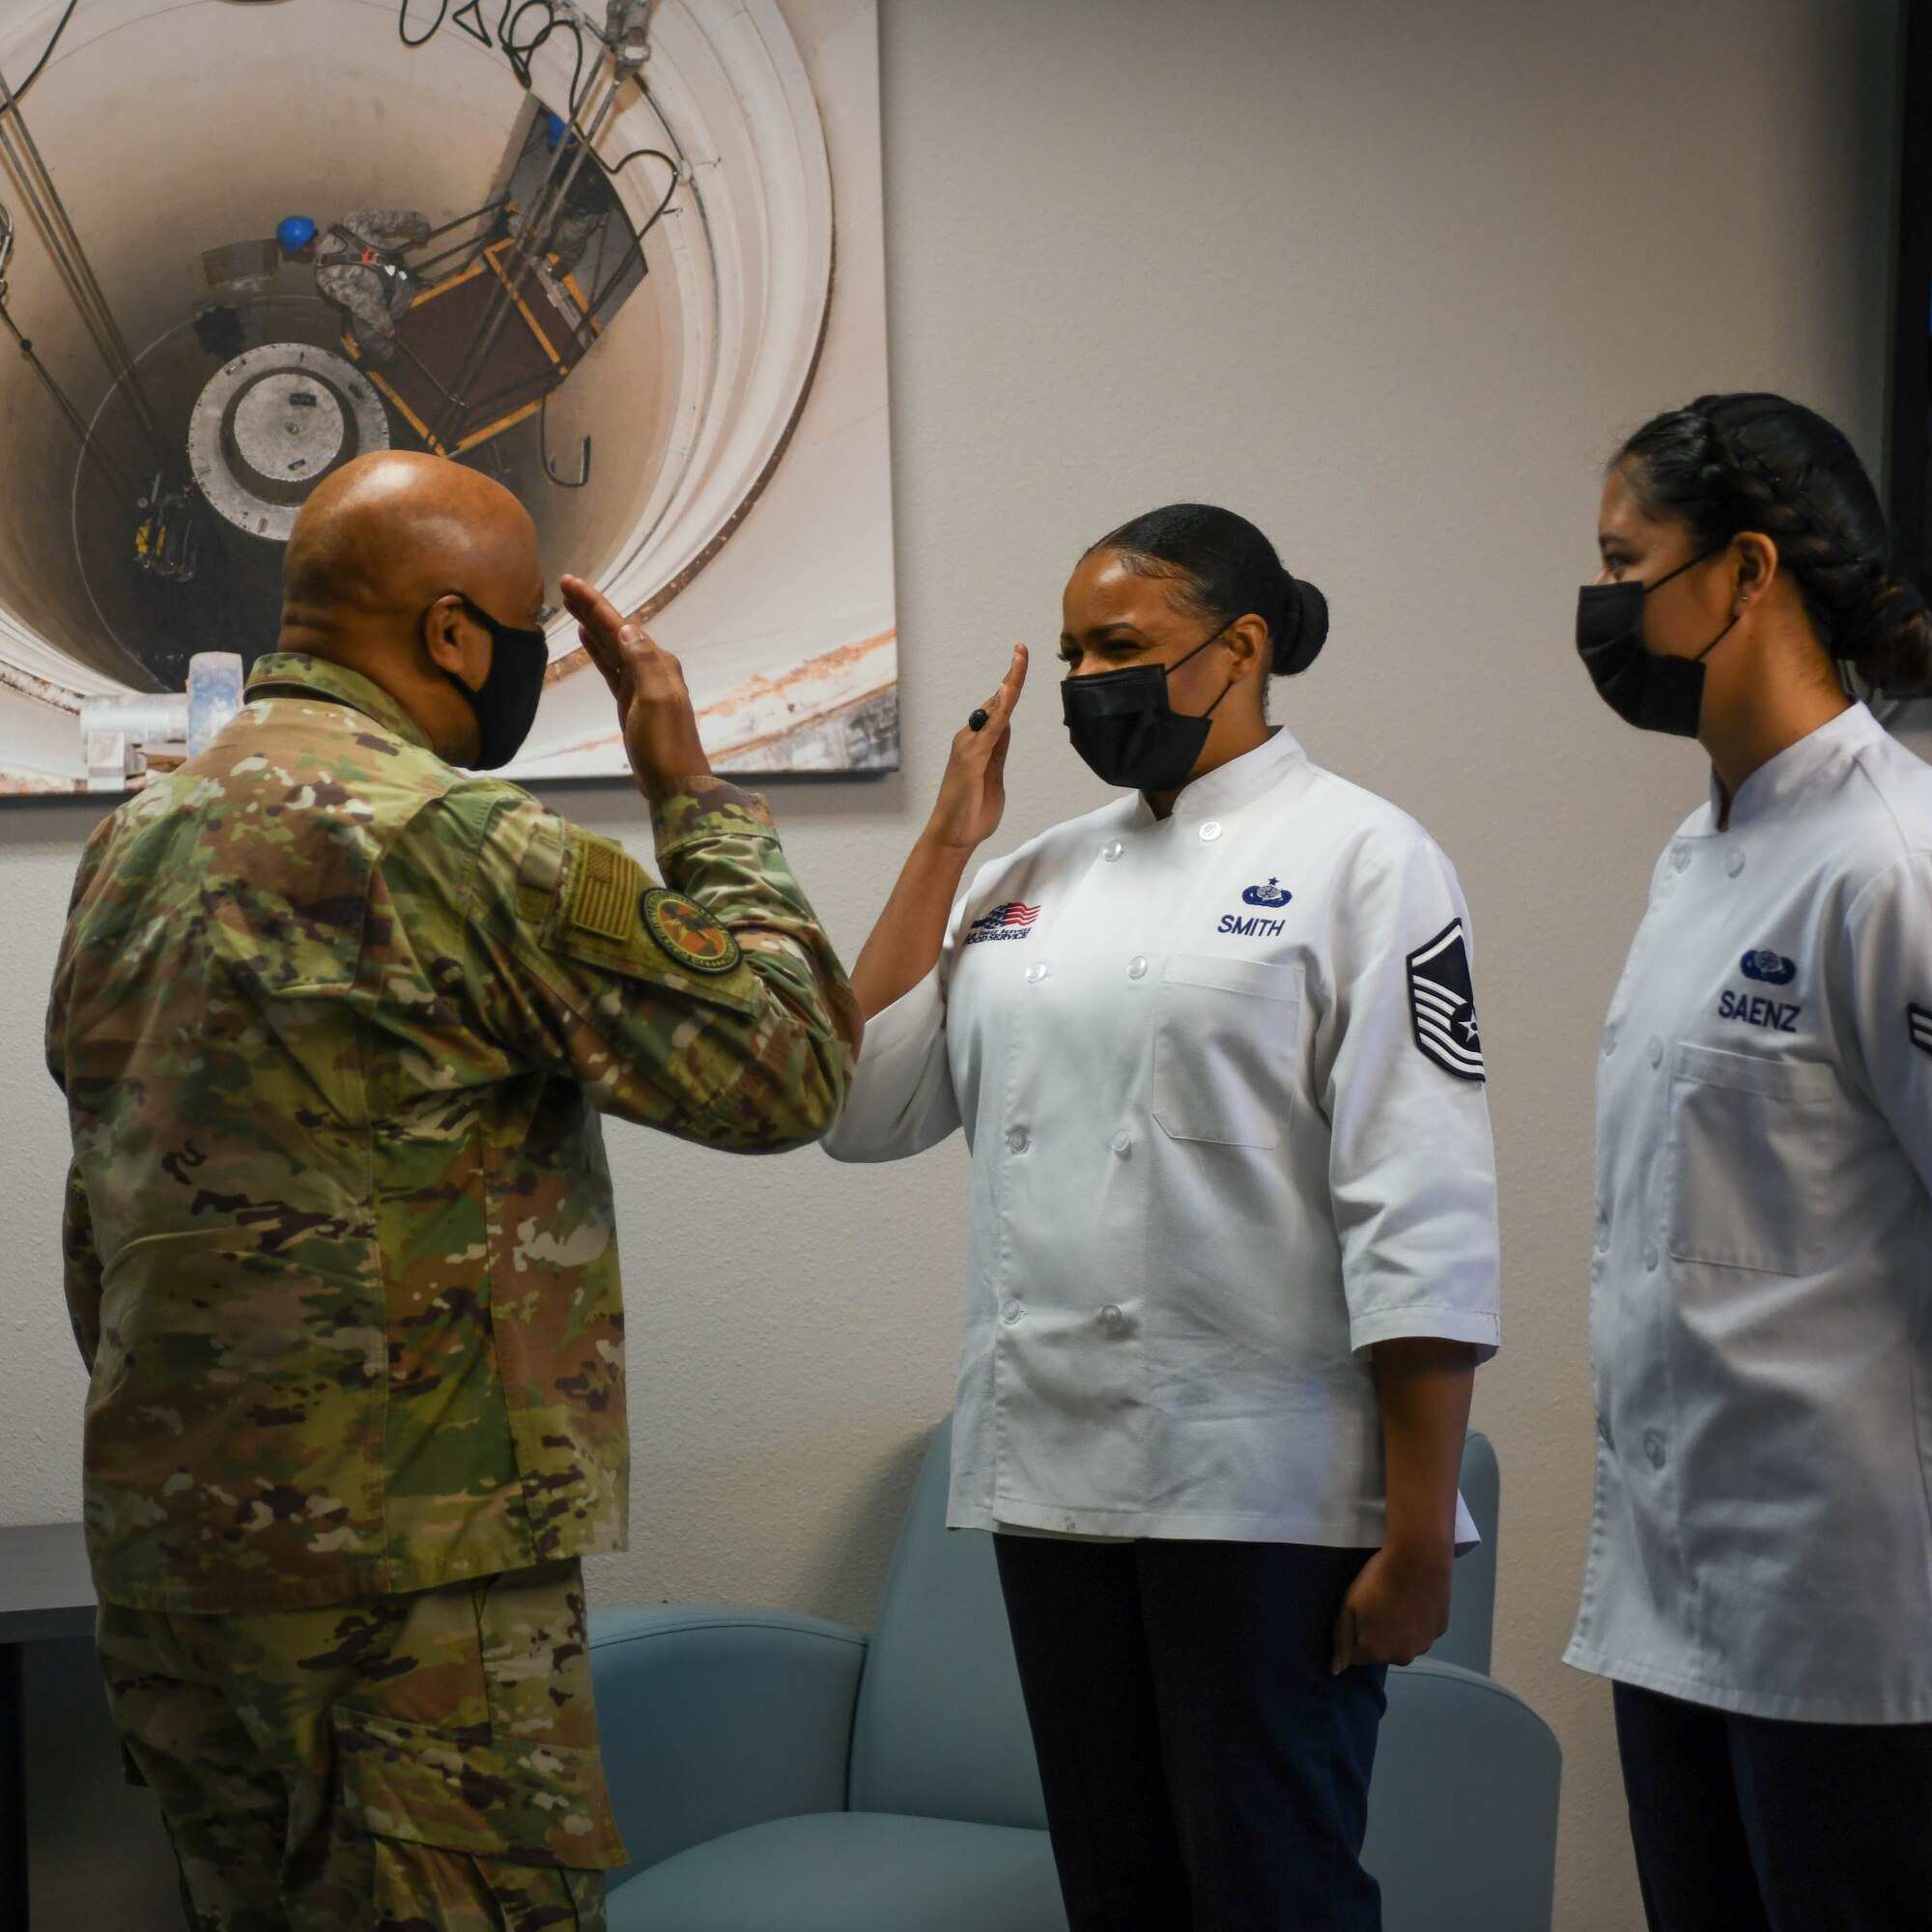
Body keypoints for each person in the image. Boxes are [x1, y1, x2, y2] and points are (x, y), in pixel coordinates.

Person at [45, 450, 860, 1927]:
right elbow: (787, 1069)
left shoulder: (131, 847)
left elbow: (101, 1215)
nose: (532, 673)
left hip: (177, 1580)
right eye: (524, 638)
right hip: (403, 1599)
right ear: (447, 635)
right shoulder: (455, 842)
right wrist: (694, 792)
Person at [823, 503, 1501, 1930]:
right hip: (1045, 1474)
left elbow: (1421, 1203)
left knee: (1271, 1892)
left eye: (1119, 645)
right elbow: (858, 1107)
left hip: (1263, 1491)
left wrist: (1422, 1526)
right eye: (1071, 650)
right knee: (1117, 1892)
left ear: (1240, 649)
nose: (1083, 682)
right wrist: (948, 838)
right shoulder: (1032, 873)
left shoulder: (1368, 859)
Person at [1566, 392, 1932, 1931]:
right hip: (1671, 1586)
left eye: (1623, 560)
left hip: (1853, 1618)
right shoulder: (1698, 855)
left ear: (1746, 573)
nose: (1599, 606)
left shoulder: (1893, 862)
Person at [281, 208, 432, 366]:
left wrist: (386, 327)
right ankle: (422, 286)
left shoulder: (325, 275)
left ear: (303, 249)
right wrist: (422, 230)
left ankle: (387, 358)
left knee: (363, 332)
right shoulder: (351, 222)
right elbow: (398, 219)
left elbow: (364, 304)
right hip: (406, 280)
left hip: (395, 304)